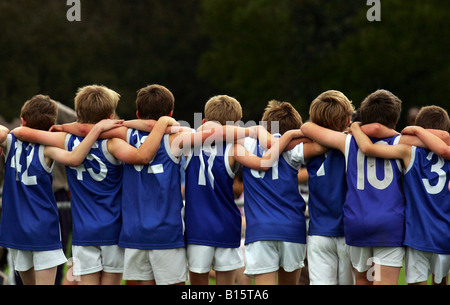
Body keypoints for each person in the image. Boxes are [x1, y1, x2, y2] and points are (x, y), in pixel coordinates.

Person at [11, 85, 173, 285]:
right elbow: (143, 156)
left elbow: (23, 133)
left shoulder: (66, 140)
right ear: (111, 116)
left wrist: (69, 127)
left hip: (83, 234)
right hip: (113, 232)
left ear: (78, 113)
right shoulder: (114, 144)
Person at [0, 94, 123, 285]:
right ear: (51, 124)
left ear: (23, 120)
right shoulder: (47, 149)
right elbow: (75, 158)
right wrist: (97, 129)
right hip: (43, 226)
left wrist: (13, 131)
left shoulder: (9, 142)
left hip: (15, 228)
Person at [301, 89, 406, 285]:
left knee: (357, 280)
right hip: (374, 228)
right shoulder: (400, 143)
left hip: (348, 227)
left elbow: (306, 128)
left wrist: (355, 128)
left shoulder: (344, 142)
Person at [350, 105, 450, 285]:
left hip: (417, 236)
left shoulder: (408, 151)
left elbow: (369, 148)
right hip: (444, 234)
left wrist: (354, 127)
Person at [234, 100, 327, 285]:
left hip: (260, 230)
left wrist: (259, 132)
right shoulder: (294, 150)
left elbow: (218, 132)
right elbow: (322, 144)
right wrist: (297, 136)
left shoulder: (246, 145)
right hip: (292, 228)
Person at [304, 90, 355, 285]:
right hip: (347, 232)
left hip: (318, 232)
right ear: (348, 118)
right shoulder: (353, 143)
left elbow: (306, 127)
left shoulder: (307, 144)